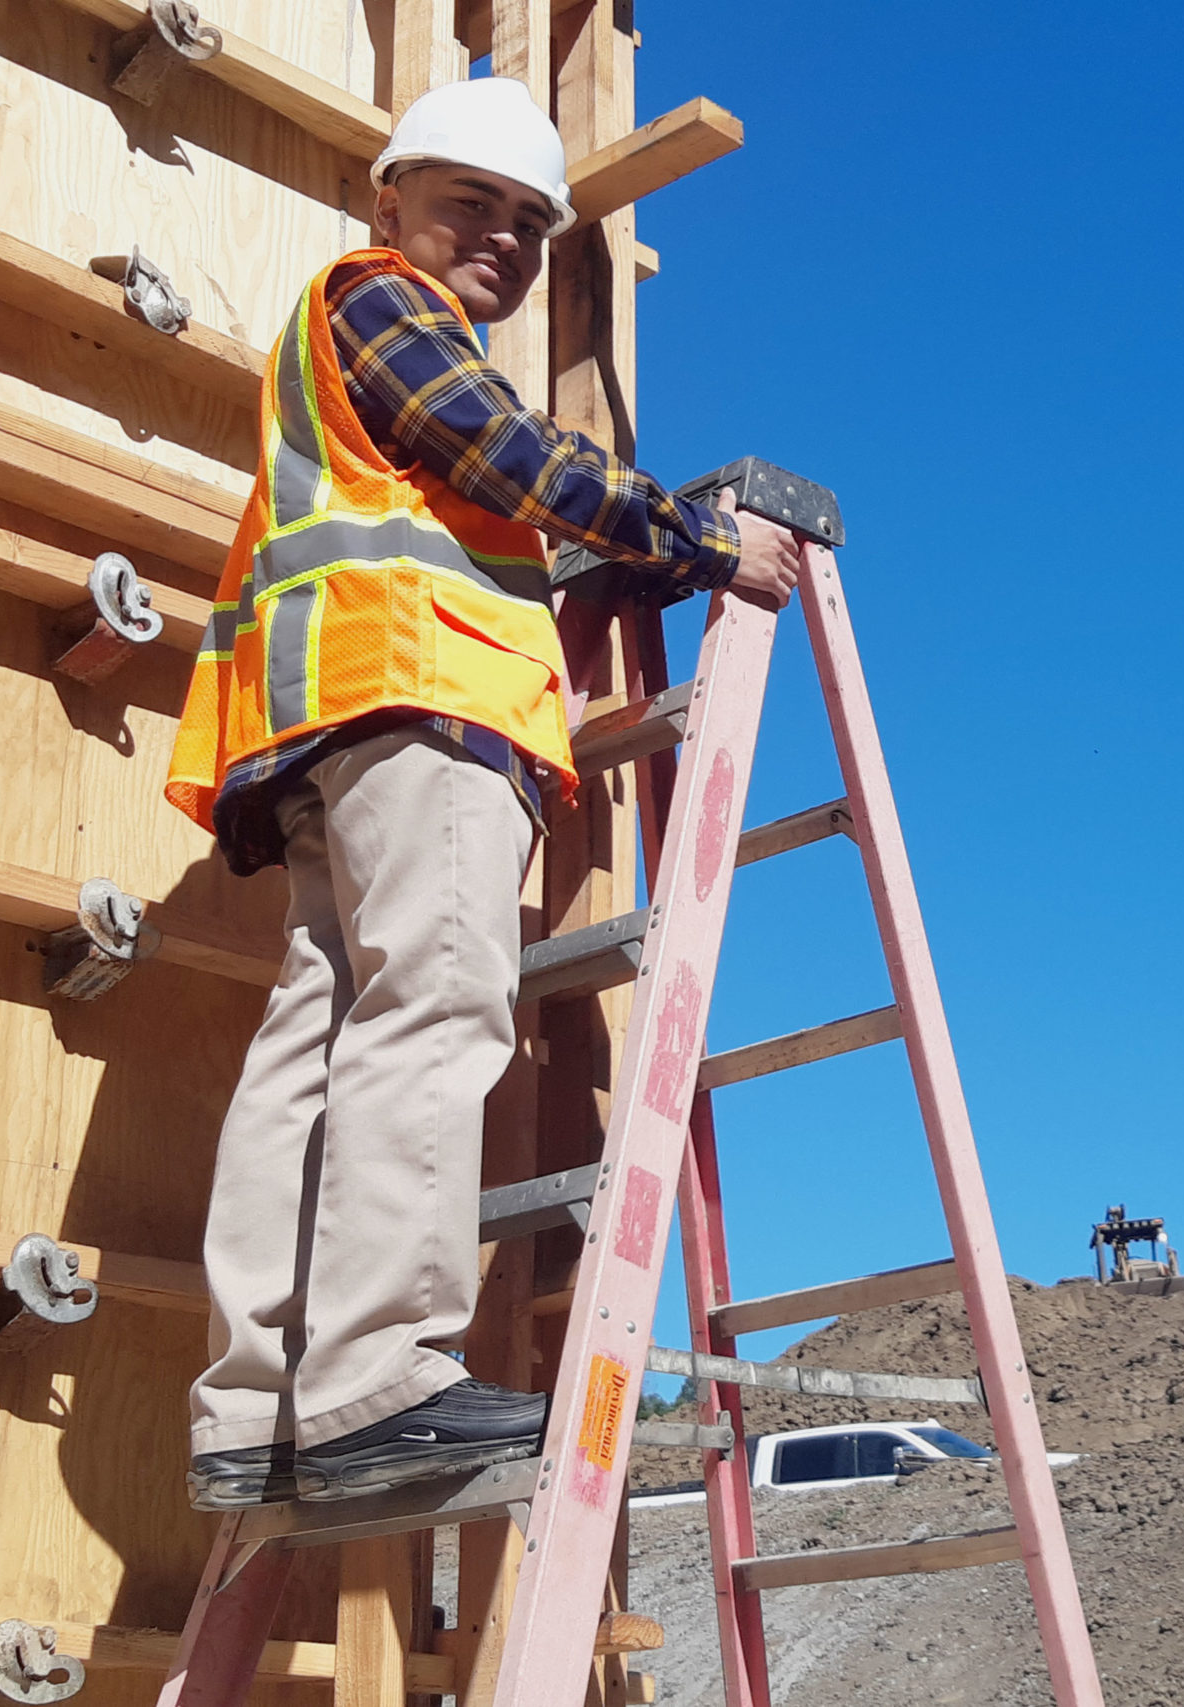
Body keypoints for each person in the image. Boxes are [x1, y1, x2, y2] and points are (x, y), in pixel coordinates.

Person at [163, 76, 802, 1508]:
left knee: (315, 1049)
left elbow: (464, 489)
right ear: (390, 201)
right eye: (473, 204)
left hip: (334, 722)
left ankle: (255, 1410)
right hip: (421, 711)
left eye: (528, 221)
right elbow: (502, 453)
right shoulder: (383, 302)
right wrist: (696, 540)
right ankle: (375, 1382)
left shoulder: (345, 341)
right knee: (433, 1012)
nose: (504, 240)